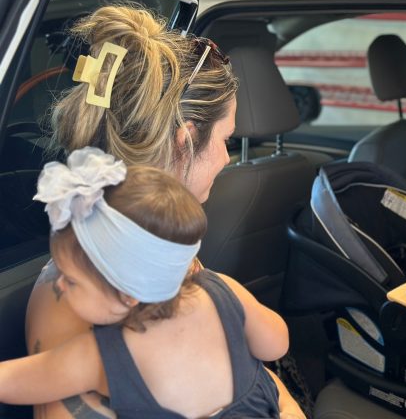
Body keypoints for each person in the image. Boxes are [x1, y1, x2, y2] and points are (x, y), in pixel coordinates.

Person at [24, 5, 305, 419]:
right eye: (226, 141)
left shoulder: (161, 244)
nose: (228, 160)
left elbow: (249, 372)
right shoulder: (73, 292)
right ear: (185, 140)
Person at [2, 146, 289, 418]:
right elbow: (276, 345)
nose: (59, 286)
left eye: (72, 281)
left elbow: (13, 382)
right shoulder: (224, 290)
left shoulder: (102, 357)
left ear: (128, 294)